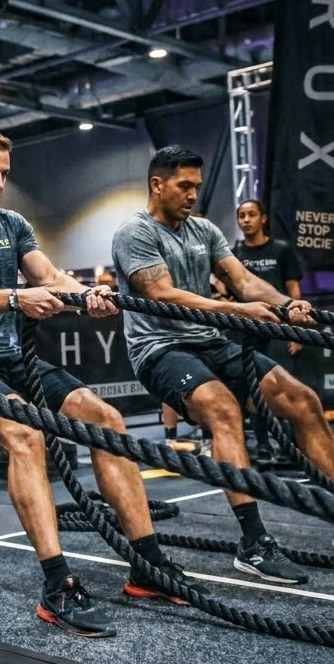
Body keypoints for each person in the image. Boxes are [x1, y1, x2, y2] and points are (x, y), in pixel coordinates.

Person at [0, 126, 192, 640]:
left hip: (10, 358)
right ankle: (57, 585)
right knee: (25, 432)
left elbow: (49, 276)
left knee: (107, 419)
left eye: (4, 174)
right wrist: (16, 298)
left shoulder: (11, 223)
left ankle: (146, 567)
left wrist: (87, 295)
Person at [112, 145, 334, 585]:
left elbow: (244, 280)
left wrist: (287, 305)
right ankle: (254, 543)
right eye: (184, 185)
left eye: (197, 185)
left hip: (211, 341)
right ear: (158, 185)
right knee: (222, 409)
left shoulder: (205, 231)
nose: (194, 194)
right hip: (160, 347)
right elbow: (162, 295)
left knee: (303, 400)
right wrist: (236, 313)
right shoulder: (134, 233)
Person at [232, 198, 304, 463]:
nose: (246, 220)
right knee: (254, 389)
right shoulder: (234, 253)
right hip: (247, 332)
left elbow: (294, 293)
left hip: (278, 331)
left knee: (285, 389)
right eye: (242, 216)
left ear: (263, 218)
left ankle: (291, 448)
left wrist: (295, 333)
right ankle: (263, 446)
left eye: (252, 214)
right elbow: (226, 292)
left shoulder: (282, 249)